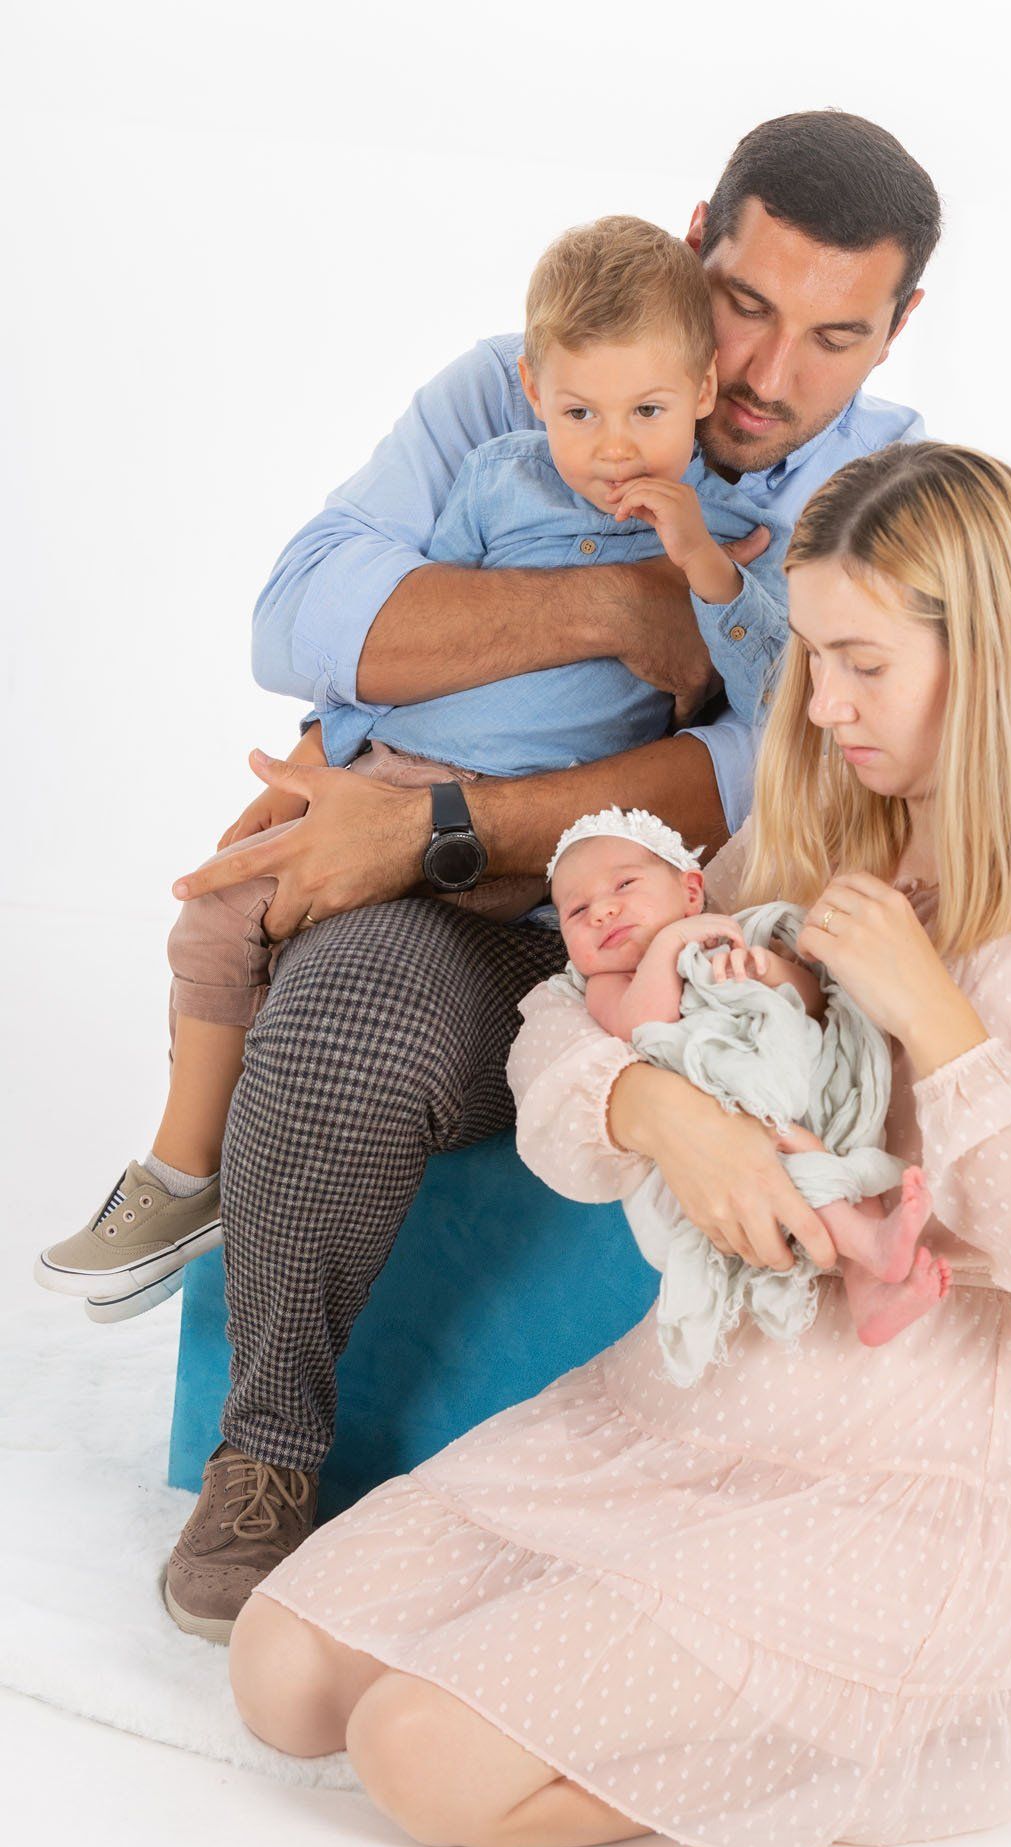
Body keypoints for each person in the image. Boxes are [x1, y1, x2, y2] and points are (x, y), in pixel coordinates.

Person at [227, 440, 1011, 1847]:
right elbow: (563, 1012)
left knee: (418, 1762)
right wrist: (653, 1110)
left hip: (896, 1476)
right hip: (672, 1411)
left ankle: (889, 1717)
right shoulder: (811, 827)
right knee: (281, 1675)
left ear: (990, 655)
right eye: (812, 659)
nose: (826, 705)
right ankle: (703, 1677)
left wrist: (936, 1021)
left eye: (865, 664)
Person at [147, 109, 964, 1643]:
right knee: (334, 1028)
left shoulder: (890, 491)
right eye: (744, 306)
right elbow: (301, 620)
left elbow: (773, 762)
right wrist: (615, 604)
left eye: (834, 336)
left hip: (716, 930)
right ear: (697, 239)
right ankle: (265, 1455)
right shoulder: (518, 387)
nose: (765, 373)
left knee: (906, 1048)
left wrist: (438, 814)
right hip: (467, 922)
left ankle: (910, 1476)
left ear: (899, 326)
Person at [34, 214, 789, 1323]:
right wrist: (323, 746)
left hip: (541, 835)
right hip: (396, 766)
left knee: (363, 954)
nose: (614, 449)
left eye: (648, 413)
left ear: (702, 390)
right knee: (222, 911)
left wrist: (704, 572)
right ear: (532, 391)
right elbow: (415, 639)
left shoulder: (728, 532)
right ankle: (185, 1173)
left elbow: (776, 700)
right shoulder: (498, 483)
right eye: (579, 414)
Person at [545, 804, 951, 1363]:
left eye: (624, 885)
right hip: (723, 1129)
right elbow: (646, 1026)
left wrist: (768, 971)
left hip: (790, 1086)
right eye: (577, 910)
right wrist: (669, 946)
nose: (603, 911)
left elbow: (812, 1002)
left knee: (842, 1145)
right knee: (790, 1151)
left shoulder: (732, 940)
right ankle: (867, 1243)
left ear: (691, 892)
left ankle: (870, 1294)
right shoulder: (606, 985)